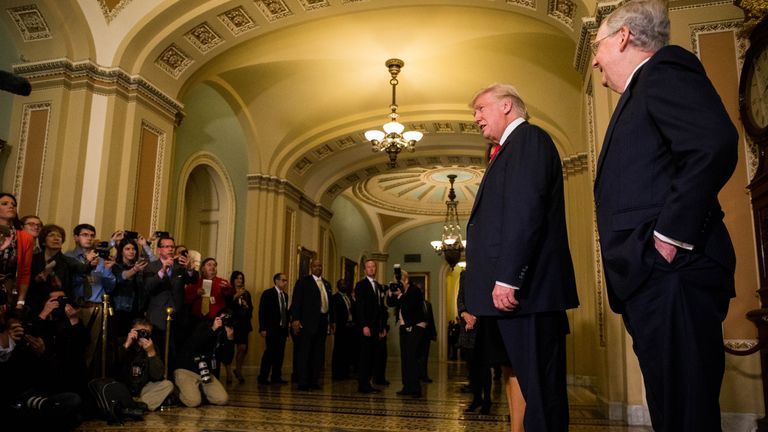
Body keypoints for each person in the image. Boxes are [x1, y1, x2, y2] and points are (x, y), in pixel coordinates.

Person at [591, 1, 738, 430]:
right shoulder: (643, 87)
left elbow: (712, 143)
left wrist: (669, 238)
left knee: (685, 412)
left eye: (597, 46)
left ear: (622, 38)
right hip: (654, 277)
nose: (595, 60)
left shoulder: (665, 70)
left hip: (673, 274)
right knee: (673, 409)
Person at [465, 83, 579, 431]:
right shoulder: (509, 149)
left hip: (528, 294)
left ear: (507, 106)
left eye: (481, 108)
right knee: (533, 391)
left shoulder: (529, 140)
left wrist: (508, 278)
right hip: (520, 297)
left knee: (542, 395)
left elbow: (524, 211)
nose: (476, 118)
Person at [142, 236, 198, 371]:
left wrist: (190, 269)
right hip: (157, 317)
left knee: (176, 352)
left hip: (177, 316)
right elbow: (149, 287)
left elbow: (193, 279)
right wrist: (162, 270)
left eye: (172, 247)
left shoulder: (180, 267)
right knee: (159, 350)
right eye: (166, 247)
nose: (170, 249)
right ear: (159, 249)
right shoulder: (151, 266)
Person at [174, 308, 234, 407]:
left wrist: (230, 339)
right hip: (186, 369)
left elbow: (227, 359)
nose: (224, 321)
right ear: (216, 317)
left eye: (228, 319)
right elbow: (194, 344)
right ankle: (175, 390)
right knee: (193, 402)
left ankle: (200, 390)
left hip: (205, 372)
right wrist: (213, 329)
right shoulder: (204, 325)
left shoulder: (225, 334)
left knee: (222, 399)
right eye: (222, 318)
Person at [289, 259, 332, 391]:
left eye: (320, 266)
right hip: (307, 323)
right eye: (315, 266)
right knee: (305, 352)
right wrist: (295, 319)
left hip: (322, 322)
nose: (318, 268)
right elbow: (296, 301)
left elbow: (330, 303)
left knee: (318, 353)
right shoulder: (303, 282)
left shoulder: (326, 283)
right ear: (310, 267)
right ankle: (303, 382)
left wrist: (332, 321)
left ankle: (314, 381)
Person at [118, 318, 174, 411]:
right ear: (132, 331)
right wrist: (126, 345)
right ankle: (137, 404)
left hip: (143, 389)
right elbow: (113, 368)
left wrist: (151, 353)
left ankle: (135, 405)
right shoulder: (123, 343)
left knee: (168, 385)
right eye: (139, 331)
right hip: (124, 388)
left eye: (146, 332)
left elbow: (158, 376)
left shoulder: (152, 347)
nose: (142, 335)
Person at [386, 268, 425, 398]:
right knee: (405, 357)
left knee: (412, 356)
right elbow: (390, 304)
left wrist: (400, 295)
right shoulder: (400, 292)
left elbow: (410, 305)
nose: (397, 283)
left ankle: (415, 388)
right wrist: (391, 293)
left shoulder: (415, 291)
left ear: (406, 280)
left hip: (415, 326)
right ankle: (407, 386)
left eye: (399, 281)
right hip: (404, 326)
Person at [354, 259, 386, 393]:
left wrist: (382, 327)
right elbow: (359, 307)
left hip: (376, 328)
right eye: (368, 267)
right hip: (366, 327)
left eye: (373, 267)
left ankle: (369, 383)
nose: (371, 269)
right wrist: (364, 325)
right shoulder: (361, 285)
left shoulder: (378, 286)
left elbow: (381, 309)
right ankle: (363, 385)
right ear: (365, 270)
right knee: (365, 357)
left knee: (373, 356)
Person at [0, 194, 33, 309]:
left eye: (13, 204)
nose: (11, 206)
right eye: (5, 204)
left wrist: (21, 301)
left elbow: (25, 271)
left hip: (10, 291)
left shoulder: (25, 237)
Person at [257, 272, 289, 385]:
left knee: (280, 354)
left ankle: (276, 376)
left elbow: (285, 312)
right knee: (269, 353)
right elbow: (262, 312)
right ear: (276, 281)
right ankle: (263, 377)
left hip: (282, 329)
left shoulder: (285, 295)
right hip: (271, 329)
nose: (285, 282)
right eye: (283, 280)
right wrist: (262, 328)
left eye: (286, 280)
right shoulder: (268, 294)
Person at [229, 270, 253, 384]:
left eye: (241, 278)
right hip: (233, 324)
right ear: (233, 279)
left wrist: (246, 306)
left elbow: (251, 308)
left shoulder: (246, 293)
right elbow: (226, 305)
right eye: (238, 278)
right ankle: (228, 372)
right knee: (228, 349)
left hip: (243, 324)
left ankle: (238, 369)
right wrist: (235, 296)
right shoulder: (229, 291)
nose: (240, 280)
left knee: (243, 348)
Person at [331, 278, 355, 381]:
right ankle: (337, 373)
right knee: (339, 350)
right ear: (338, 286)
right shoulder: (335, 297)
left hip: (350, 327)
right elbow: (333, 313)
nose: (343, 285)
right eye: (341, 284)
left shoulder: (349, 297)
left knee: (348, 351)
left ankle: (345, 372)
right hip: (341, 327)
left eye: (345, 283)